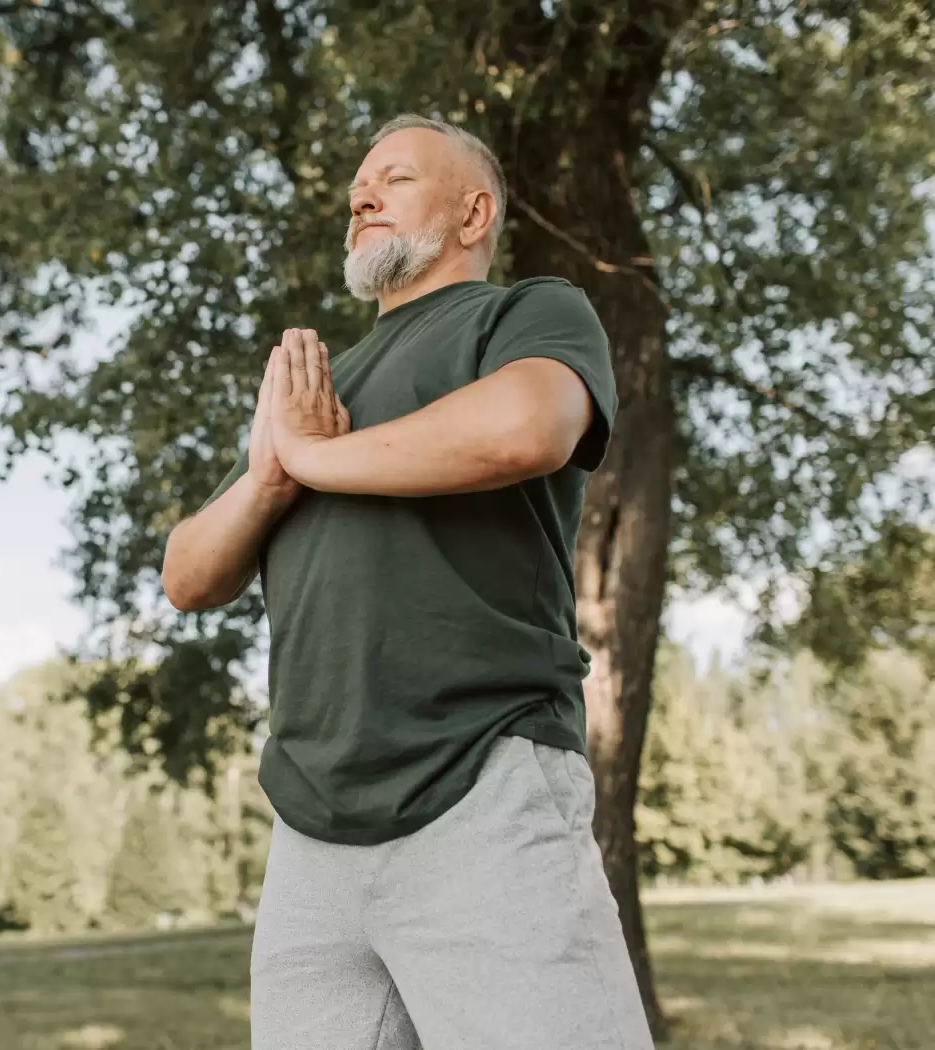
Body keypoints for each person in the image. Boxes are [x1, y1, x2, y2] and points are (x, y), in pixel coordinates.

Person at [161, 114, 654, 1050]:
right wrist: (271, 476)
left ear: (474, 213)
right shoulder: (315, 392)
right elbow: (187, 576)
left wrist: (314, 457)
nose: (362, 197)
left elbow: (527, 428)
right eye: (358, 188)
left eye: (394, 179)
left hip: (482, 782)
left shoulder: (528, 314)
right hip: (310, 829)